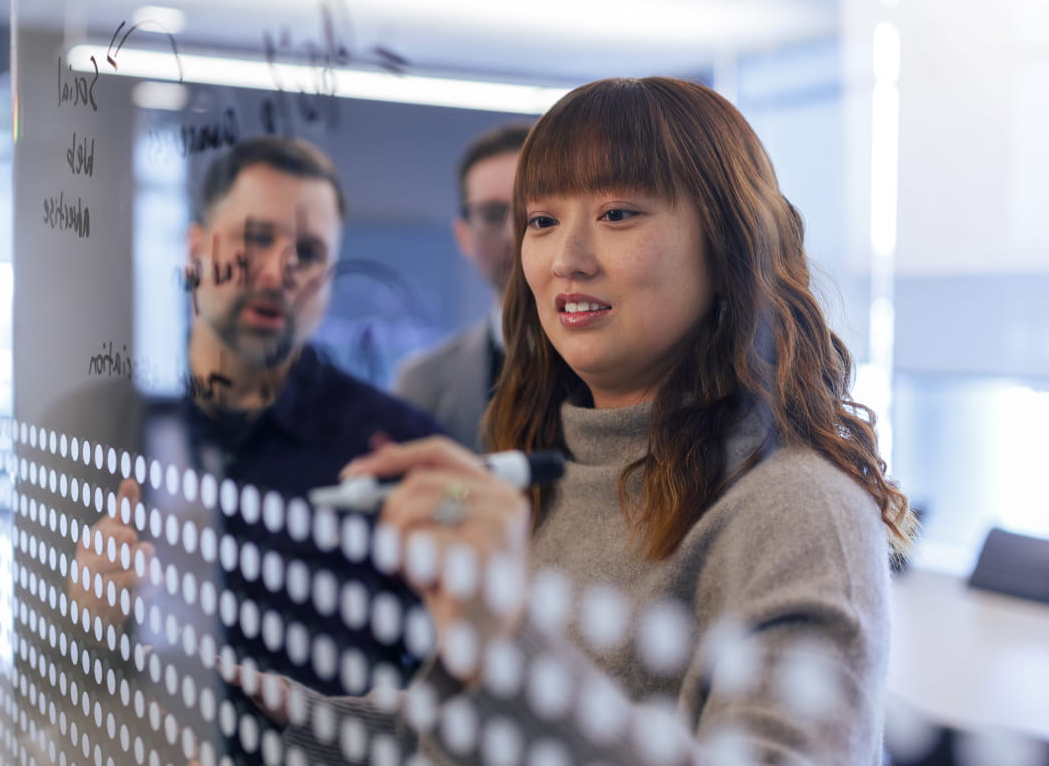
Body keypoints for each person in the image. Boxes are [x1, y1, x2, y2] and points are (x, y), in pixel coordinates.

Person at [342, 77, 917, 764]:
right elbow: (456, 735)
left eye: (617, 214)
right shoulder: (540, 467)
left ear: (727, 241)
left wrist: (507, 646)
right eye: (542, 221)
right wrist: (285, 717)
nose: (566, 260)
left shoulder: (797, 508)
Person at [47, 136, 442, 766]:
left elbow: (444, 699)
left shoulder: (398, 447)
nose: (279, 270)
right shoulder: (93, 428)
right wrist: (83, 623)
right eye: (255, 238)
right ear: (195, 251)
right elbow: (32, 671)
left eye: (309, 252)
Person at [393, 123, 531, 450]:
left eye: (535, 213)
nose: (515, 234)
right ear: (464, 236)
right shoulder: (422, 385)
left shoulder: (622, 371)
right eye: (493, 214)